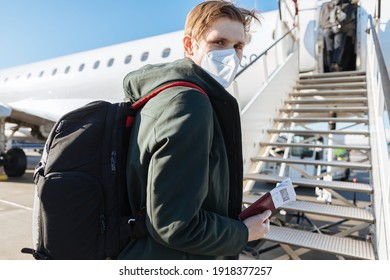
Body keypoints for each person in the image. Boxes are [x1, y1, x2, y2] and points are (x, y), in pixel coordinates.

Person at [118, 0, 271, 260]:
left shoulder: (167, 95)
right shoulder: (190, 102)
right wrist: (243, 233)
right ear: (190, 45)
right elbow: (174, 225)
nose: (230, 55)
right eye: (219, 42)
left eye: (238, 46)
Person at [319, 0, 349, 72]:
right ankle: (335, 64)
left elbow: (321, 20)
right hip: (339, 28)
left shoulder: (324, 5)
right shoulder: (344, 4)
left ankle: (330, 66)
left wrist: (325, 26)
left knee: (329, 48)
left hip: (327, 29)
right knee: (338, 47)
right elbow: (347, 18)